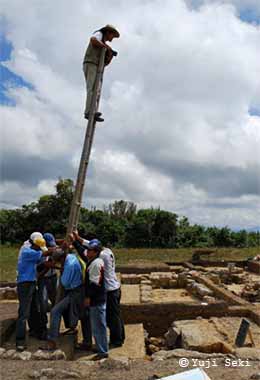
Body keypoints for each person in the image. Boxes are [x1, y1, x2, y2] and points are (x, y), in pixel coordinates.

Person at [72, 232, 125, 348]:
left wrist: (75, 243)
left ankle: (116, 341)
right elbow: (88, 244)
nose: (90, 251)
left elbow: (85, 254)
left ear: (96, 251)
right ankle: (120, 337)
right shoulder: (107, 250)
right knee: (116, 315)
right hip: (115, 286)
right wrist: (78, 238)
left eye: (92, 250)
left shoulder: (101, 257)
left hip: (110, 289)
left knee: (111, 317)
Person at [44, 243, 83, 351]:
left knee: (55, 311)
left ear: (62, 258)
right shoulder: (71, 257)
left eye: (58, 261)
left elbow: (64, 283)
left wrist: (61, 269)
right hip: (75, 289)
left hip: (74, 292)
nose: (58, 263)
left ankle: (52, 341)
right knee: (64, 310)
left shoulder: (69, 265)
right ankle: (71, 327)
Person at [16, 234, 49, 351]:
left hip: (31, 282)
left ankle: (36, 331)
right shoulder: (27, 252)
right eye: (39, 247)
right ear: (34, 244)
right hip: (25, 284)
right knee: (24, 313)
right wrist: (62, 248)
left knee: (34, 308)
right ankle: (20, 340)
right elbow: (46, 253)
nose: (40, 250)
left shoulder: (30, 250)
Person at [83, 24, 120, 121]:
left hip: (96, 66)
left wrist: (110, 55)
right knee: (91, 88)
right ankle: (88, 112)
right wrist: (106, 47)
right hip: (90, 63)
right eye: (112, 35)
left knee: (96, 90)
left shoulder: (103, 43)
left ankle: (93, 111)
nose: (112, 38)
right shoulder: (99, 34)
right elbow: (93, 40)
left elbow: (105, 63)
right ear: (108, 32)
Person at [84, 240, 108, 360]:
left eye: (89, 250)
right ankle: (100, 347)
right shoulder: (94, 261)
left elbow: (94, 284)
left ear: (95, 252)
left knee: (98, 326)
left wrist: (88, 297)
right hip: (98, 298)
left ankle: (103, 351)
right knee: (98, 325)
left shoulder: (95, 264)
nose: (87, 252)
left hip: (96, 299)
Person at [35, 233, 58, 340]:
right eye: (49, 245)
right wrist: (46, 266)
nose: (51, 247)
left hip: (53, 278)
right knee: (43, 304)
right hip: (43, 279)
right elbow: (38, 268)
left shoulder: (54, 249)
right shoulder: (38, 252)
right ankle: (43, 329)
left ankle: (54, 328)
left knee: (56, 302)